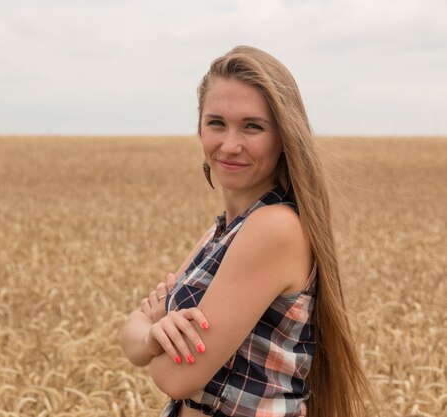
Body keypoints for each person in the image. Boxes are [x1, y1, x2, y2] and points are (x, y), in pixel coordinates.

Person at [119, 46, 375, 417]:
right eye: (216, 123)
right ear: (199, 127)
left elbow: (177, 377)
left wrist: (156, 331)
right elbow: (132, 334)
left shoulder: (275, 228)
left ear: (284, 137)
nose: (230, 144)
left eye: (252, 126)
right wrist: (150, 333)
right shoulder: (222, 231)